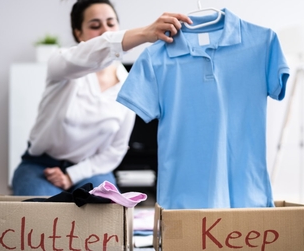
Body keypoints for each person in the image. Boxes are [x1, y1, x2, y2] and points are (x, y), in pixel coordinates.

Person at [11, 0, 192, 196]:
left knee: (105, 212)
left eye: (111, 24)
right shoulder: (62, 64)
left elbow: (115, 150)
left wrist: (71, 175)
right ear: (78, 33)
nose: (106, 31)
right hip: (40, 166)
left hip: (90, 169)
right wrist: (144, 34)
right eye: (95, 26)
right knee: (41, 216)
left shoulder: (128, 84)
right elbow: (95, 51)